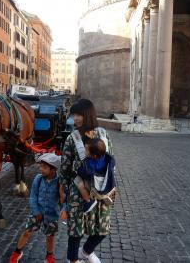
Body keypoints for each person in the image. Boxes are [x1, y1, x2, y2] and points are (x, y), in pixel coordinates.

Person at [60, 99, 115, 263]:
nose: (75, 119)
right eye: (73, 115)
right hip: (78, 189)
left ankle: (86, 251)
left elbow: (110, 160)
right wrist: (62, 189)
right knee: (75, 230)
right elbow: (65, 166)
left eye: (78, 115)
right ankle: (73, 260)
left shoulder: (104, 135)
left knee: (102, 230)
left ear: (87, 114)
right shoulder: (72, 138)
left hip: (101, 191)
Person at [9, 153, 65, 263]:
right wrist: (36, 211)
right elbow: (33, 197)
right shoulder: (38, 179)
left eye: (44, 167)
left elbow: (64, 198)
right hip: (37, 212)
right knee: (27, 232)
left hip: (51, 215)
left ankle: (49, 256)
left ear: (53, 170)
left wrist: (64, 209)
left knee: (50, 236)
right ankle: (17, 252)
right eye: (40, 166)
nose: (41, 169)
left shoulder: (60, 182)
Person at [74, 138, 116, 213]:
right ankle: (105, 202)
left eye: (86, 150)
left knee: (79, 183)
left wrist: (79, 170)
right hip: (105, 182)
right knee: (105, 191)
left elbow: (83, 173)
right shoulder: (107, 158)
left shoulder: (90, 163)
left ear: (94, 155)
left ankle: (89, 201)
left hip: (93, 183)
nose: (84, 151)